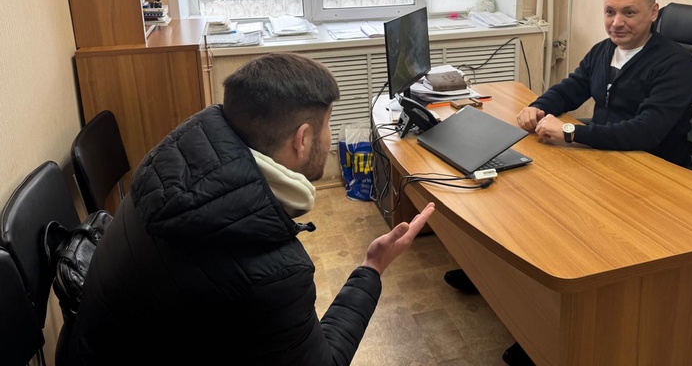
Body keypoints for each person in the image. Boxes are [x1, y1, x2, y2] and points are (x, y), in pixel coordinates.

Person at [68, 52, 435, 366]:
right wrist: (373, 267)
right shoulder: (272, 274)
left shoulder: (168, 162)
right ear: (302, 139)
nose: (329, 137)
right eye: (327, 125)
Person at [445, 0, 692, 366]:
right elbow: (572, 88)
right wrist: (539, 107)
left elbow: (646, 132)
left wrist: (570, 132)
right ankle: (493, 279)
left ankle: (544, 335)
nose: (617, 22)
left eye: (629, 13)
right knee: (523, 201)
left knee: (566, 236)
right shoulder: (604, 51)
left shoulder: (676, 64)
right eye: (610, 12)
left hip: (651, 174)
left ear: (654, 12)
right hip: (605, 160)